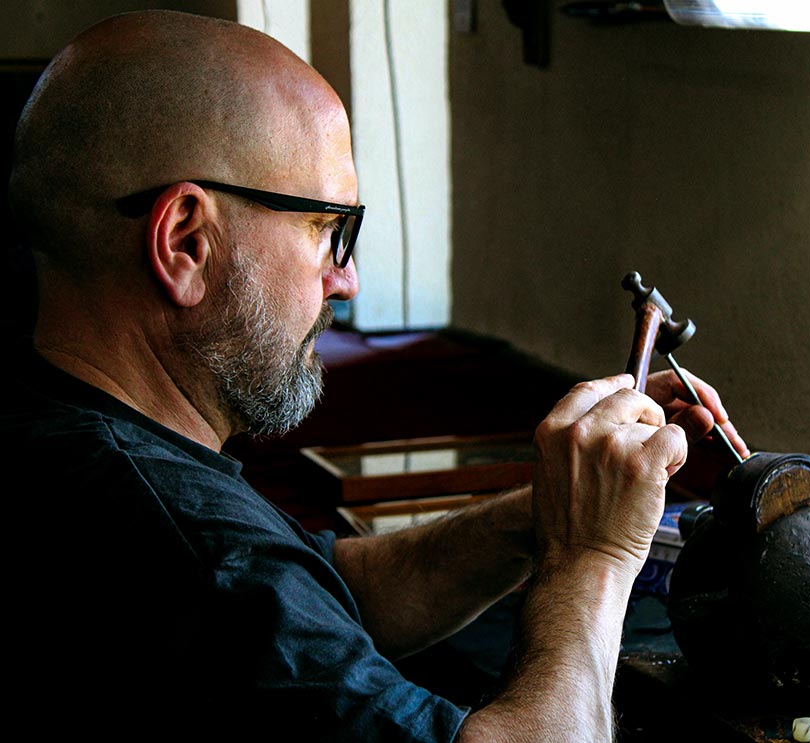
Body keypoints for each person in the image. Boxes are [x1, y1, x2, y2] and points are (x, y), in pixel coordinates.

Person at [2, 9, 748, 742]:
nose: (347, 278)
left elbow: (329, 588)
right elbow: (254, 590)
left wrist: (556, 508)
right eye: (328, 230)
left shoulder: (76, 433)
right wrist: (594, 558)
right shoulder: (198, 555)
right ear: (188, 242)